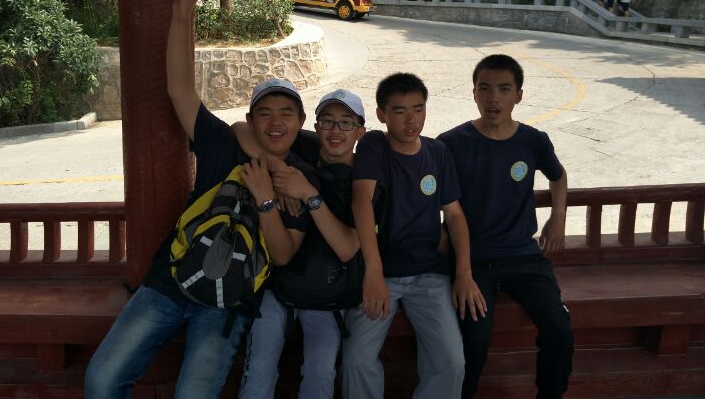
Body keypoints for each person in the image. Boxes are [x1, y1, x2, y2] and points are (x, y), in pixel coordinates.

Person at [84, 0, 316, 399]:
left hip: (229, 304)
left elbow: (283, 254)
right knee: (101, 382)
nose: (276, 121)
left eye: (287, 113)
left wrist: (266, 197)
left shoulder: (299, 179)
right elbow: (180, 90)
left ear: (301, 122)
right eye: (264, 113)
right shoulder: (223, 143)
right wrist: (183, 10)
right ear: (251, 120)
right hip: (167, 283)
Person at [341, 72, 485, 399]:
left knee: (451, 361)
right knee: (356, 360)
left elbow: (455, 215)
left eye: (418, 109)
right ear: (382, 115)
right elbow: (361, 200)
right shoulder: (374, 145)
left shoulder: (437, 152)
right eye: (400, 111)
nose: (411, 120)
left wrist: (464, 273)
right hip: (383, 272)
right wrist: (373, 272)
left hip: (429, 273)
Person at [438, 54, 573, 399]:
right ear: (474, 93)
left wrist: (557, 218)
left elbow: (558, 177)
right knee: (474, 340)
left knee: (559, 328)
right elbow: (437, 204)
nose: (493, 98)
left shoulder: (533, 141)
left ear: (519, 96)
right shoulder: (451, 143)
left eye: (504, 89)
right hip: (473, 260)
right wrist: (457, 267)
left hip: (523, 256)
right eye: (485, 88)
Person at [238, 89, 366, 399]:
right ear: (315, 126)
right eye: (328, 121)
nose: (336, 131)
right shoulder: (305, 148)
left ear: (360, 131)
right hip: (278, 285)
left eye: (346, 123)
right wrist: (278, 169)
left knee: (320, 371)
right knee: (259, 367)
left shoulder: (365, 178)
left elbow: (347, 247)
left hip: (327, 293)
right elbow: (240, 128)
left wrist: (307, 193)